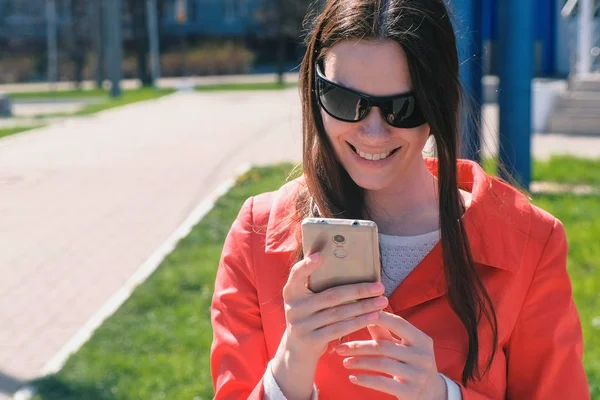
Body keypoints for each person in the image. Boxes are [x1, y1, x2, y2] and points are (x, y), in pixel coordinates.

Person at [210, 0, 590, 398]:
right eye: (344, 101)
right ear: (313, 88)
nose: (373, 134)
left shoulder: (528, 241)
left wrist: (442, 394)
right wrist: (293, 362)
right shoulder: (257, 234)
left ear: (438, 101)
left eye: (403, 109)